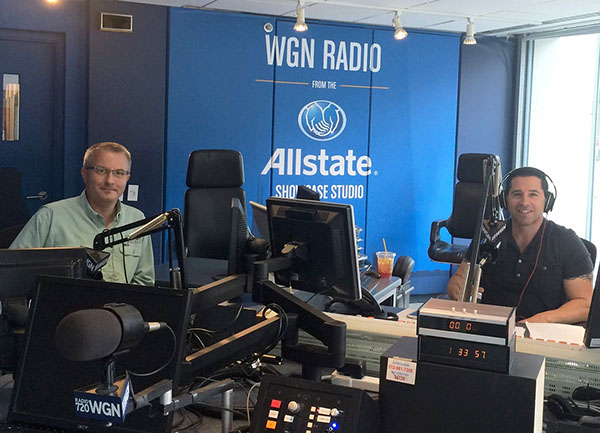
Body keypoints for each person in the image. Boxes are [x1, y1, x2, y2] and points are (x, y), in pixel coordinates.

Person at [447, 167, 593, 324]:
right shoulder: (489, 236)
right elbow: (458, 279)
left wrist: (543, 319)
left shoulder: (566, 241)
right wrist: (456, 287)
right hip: (491, 328)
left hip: (542, 331)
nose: (524, 202)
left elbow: (585, 304)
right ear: (505, 200)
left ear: (547, 201)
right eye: (517, 194)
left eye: (533, 194)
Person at [10, 142, 154, 286]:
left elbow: (144, 281)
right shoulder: (50, 217)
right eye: (101, 171)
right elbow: (12, 272)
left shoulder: (137, 219)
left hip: (121, 301)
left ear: (127, 178)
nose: (110, 181)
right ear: (84, 174)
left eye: (119, 173)